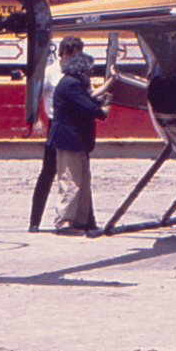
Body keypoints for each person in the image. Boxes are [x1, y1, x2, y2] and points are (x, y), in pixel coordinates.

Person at [49, 52, 111, 234]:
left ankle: (82, 221)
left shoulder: (70, 83)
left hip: (75, 141)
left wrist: (101, 102)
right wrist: (102, 111)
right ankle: (64, 222)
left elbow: (87, 100)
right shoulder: (71, 84)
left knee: (82, 182)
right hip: (70, 140)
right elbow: (87, 105)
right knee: (71, 182)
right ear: (82, 70)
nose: (91, 72)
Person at [31, 37, 80, 232]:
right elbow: (34, 94)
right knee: (48, 173)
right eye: (74, 54)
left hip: (74, 125)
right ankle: (34, 222)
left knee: (77, 173)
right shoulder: (50, 72)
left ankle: (81, 220)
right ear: (65, 53)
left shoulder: (77, 72)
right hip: (56, 125)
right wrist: (36, 119)